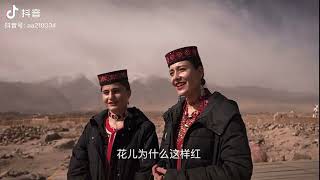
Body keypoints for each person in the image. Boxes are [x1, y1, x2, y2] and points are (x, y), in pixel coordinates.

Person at [152, 46, 253, 180]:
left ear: (200, 72)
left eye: (182, 69)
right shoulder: (173, 115)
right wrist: (159, 170)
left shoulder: (224, 112)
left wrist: (178, 177)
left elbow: (238, 170)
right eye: (171, 73)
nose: (175, 78)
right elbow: (166, 157)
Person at [68, 69, 159, 180]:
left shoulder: (144, 129)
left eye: (116, 91)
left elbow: (146, 171)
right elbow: (77, 166)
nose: (110, 97)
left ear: (128, 93)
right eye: (106, 92)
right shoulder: (93, 126)